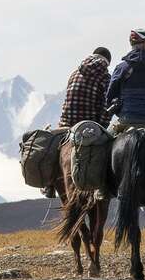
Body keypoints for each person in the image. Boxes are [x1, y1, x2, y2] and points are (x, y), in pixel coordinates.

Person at [45, 46, 112, 198]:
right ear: (107, 62)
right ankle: (104, 186)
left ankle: (49, 185)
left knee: (54, 149)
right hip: (88, 125)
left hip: (65, 124)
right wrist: (103, 125)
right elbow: (105, 106)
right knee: (109, 151)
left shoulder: (75, 72)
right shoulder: (105, 77)